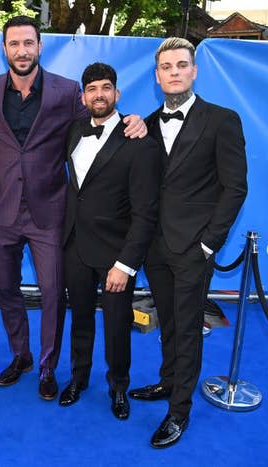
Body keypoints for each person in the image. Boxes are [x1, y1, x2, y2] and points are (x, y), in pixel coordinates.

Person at [0, 15, 146, 401]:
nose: (22, 50)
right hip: (1, 212)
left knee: (54, 293)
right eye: (14, 44)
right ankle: (20, 356)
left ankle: (48, 366)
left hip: (50, 212)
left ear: (40, 47)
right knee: (6, 290)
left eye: (28, 43)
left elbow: (97, 122)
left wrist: (134, 121)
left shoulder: (67, 90)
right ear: (3, 49)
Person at [127, 37, 247, 448]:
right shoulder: (144, 124)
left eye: (182, 65)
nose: (174, 72)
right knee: (168, 321)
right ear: (157, 75)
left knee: (189, 329)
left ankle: (180, 411)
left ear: (194, 71)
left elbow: (235, 188)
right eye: (167, 66)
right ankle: (166, 382)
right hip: (154, 247)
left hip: (194, 247)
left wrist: (209, 244)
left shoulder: (222, 119)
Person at [58, 63, 161, 420]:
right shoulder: (73, 131)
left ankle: (118, 386)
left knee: (118, 325)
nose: (98, 95)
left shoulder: (138, 140)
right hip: (75, 245)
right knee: (81, 319)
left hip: (117, 253)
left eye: (105, 88)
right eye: (91, 89)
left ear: (117, 94)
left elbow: (146, 211)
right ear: (83, 96)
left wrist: (126, 263)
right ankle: (78, 378)